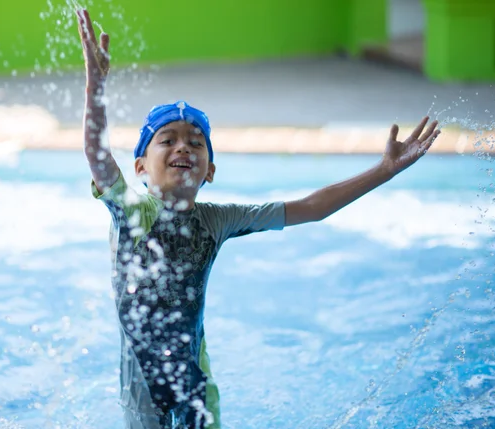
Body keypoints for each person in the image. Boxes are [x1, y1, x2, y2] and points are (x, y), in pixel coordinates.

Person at [75, 8, 441, 429]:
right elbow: (97, 156)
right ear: (140, 166)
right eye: (168, 140)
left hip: (197, 381)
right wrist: (95, 89)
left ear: (210, 171)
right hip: (140, 391)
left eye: (197, 141)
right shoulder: (132, 212)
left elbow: (311, 208)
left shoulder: (218, 220)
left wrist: (384, 170)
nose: (184, 148)